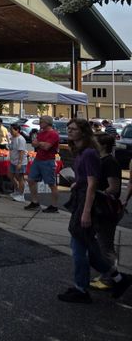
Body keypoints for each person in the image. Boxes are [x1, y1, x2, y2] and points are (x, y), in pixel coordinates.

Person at [58, 118, 131, 303]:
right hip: (80, 198)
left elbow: (93, 184)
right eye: (69, 128)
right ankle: (117, 279)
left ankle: (82, 289)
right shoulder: (81, 152)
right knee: (87, 247)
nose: (70, 131)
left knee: (79, 249)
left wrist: (86, 211)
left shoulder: (89, 153)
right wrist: (77, 182)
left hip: (86, 203)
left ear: (83, 132)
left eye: (74, 129)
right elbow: (86, 179)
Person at [91, 133, 123, 290]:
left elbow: (114, 188)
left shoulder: (110, 162)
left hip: (107, 209)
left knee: (105, 245)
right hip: (100, 208)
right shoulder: (101, 160)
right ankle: (106, 275)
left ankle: (110, 279)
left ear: (103, 145)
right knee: (102, 243)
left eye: (95, 142)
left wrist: (96, 191)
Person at [26, 114, 59, 213]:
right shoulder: (41, 133)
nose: (40, 123)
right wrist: (41, 143)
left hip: (48, 161)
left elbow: (46, 147)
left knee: (51, 184)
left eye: (41, 122)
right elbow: (33, 143)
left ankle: (54, 205)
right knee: (31, 180)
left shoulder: (53, 134)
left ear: (47, 123)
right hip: (38, 159)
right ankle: (35, 202)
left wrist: (39, 143)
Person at [8, 122, 28, 202]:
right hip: (13, 161)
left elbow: (21, 152)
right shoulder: (13, 138)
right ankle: (16, 190)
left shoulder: (21, 139)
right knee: (10, 175)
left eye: (12, 130)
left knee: (20, 178)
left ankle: (21, 195)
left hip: (20, 162)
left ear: (17, 130)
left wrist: (19, 163)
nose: (10, 131)